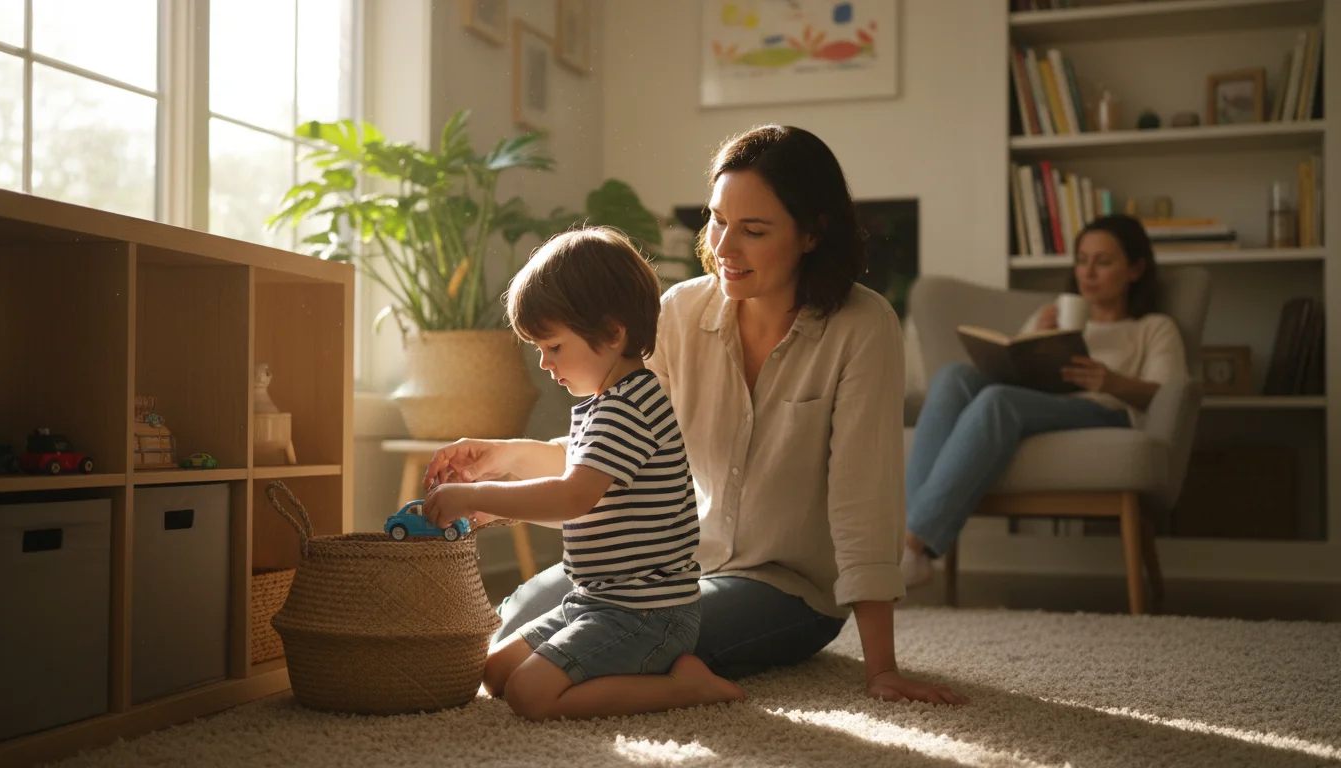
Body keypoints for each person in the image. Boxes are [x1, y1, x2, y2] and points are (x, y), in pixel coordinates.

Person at [427, 125, 967, 707]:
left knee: (630, 640)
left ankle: (687, 685)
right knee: (518, 624)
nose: (726, 247)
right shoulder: (681, 310)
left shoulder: (863, 327)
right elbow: (617, 452)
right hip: (665, 570)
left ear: (812, 233)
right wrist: (502, 457)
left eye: (754, 230)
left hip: (786, 588)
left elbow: (865, 498)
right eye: (717, 220)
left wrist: (881, 669)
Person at [421, 226, 746, 721]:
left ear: (613, 334)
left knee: (531, 696)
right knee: (494, 671)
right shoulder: (605, 405)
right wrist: (494, 507)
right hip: (595, 600)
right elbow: (585, 515)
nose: (545, 364)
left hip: (647, 615)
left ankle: (685, 687)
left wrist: (474, 496)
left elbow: (573, 498)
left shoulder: (628, 408)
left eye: (553, 346)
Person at [900, 214, 1187, 586]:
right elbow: (1010, 370)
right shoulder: (1049, 315)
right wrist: (1036, 337)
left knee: (998, 401)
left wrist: (1111, 381)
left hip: (1102, 411)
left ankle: (911, 545)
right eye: (1082, 260)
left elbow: (1167, 395)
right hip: (1038, 403)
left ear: (1134, 269)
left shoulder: (1153, 327)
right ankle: (908, 541)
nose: (1088, 272)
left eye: (1103, 261)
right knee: (952, 376)